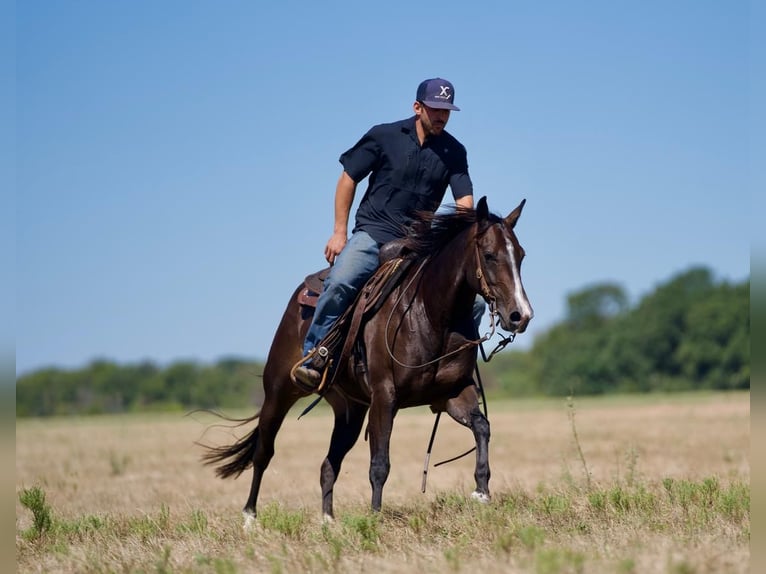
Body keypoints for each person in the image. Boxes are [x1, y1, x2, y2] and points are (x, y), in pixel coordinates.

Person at [293, 78, 484, 389]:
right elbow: (348, 178)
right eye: (435, 109)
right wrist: (339, 231)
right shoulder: (384, 135)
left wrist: (459, 239)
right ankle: (315, 355)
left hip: (417, 246)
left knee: (474, 303)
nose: (441, 116)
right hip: (373, 233)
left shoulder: (454, 151)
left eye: (446, 111)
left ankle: (449, 372)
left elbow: (465, 204)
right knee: (342, 280)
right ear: (417, 107)